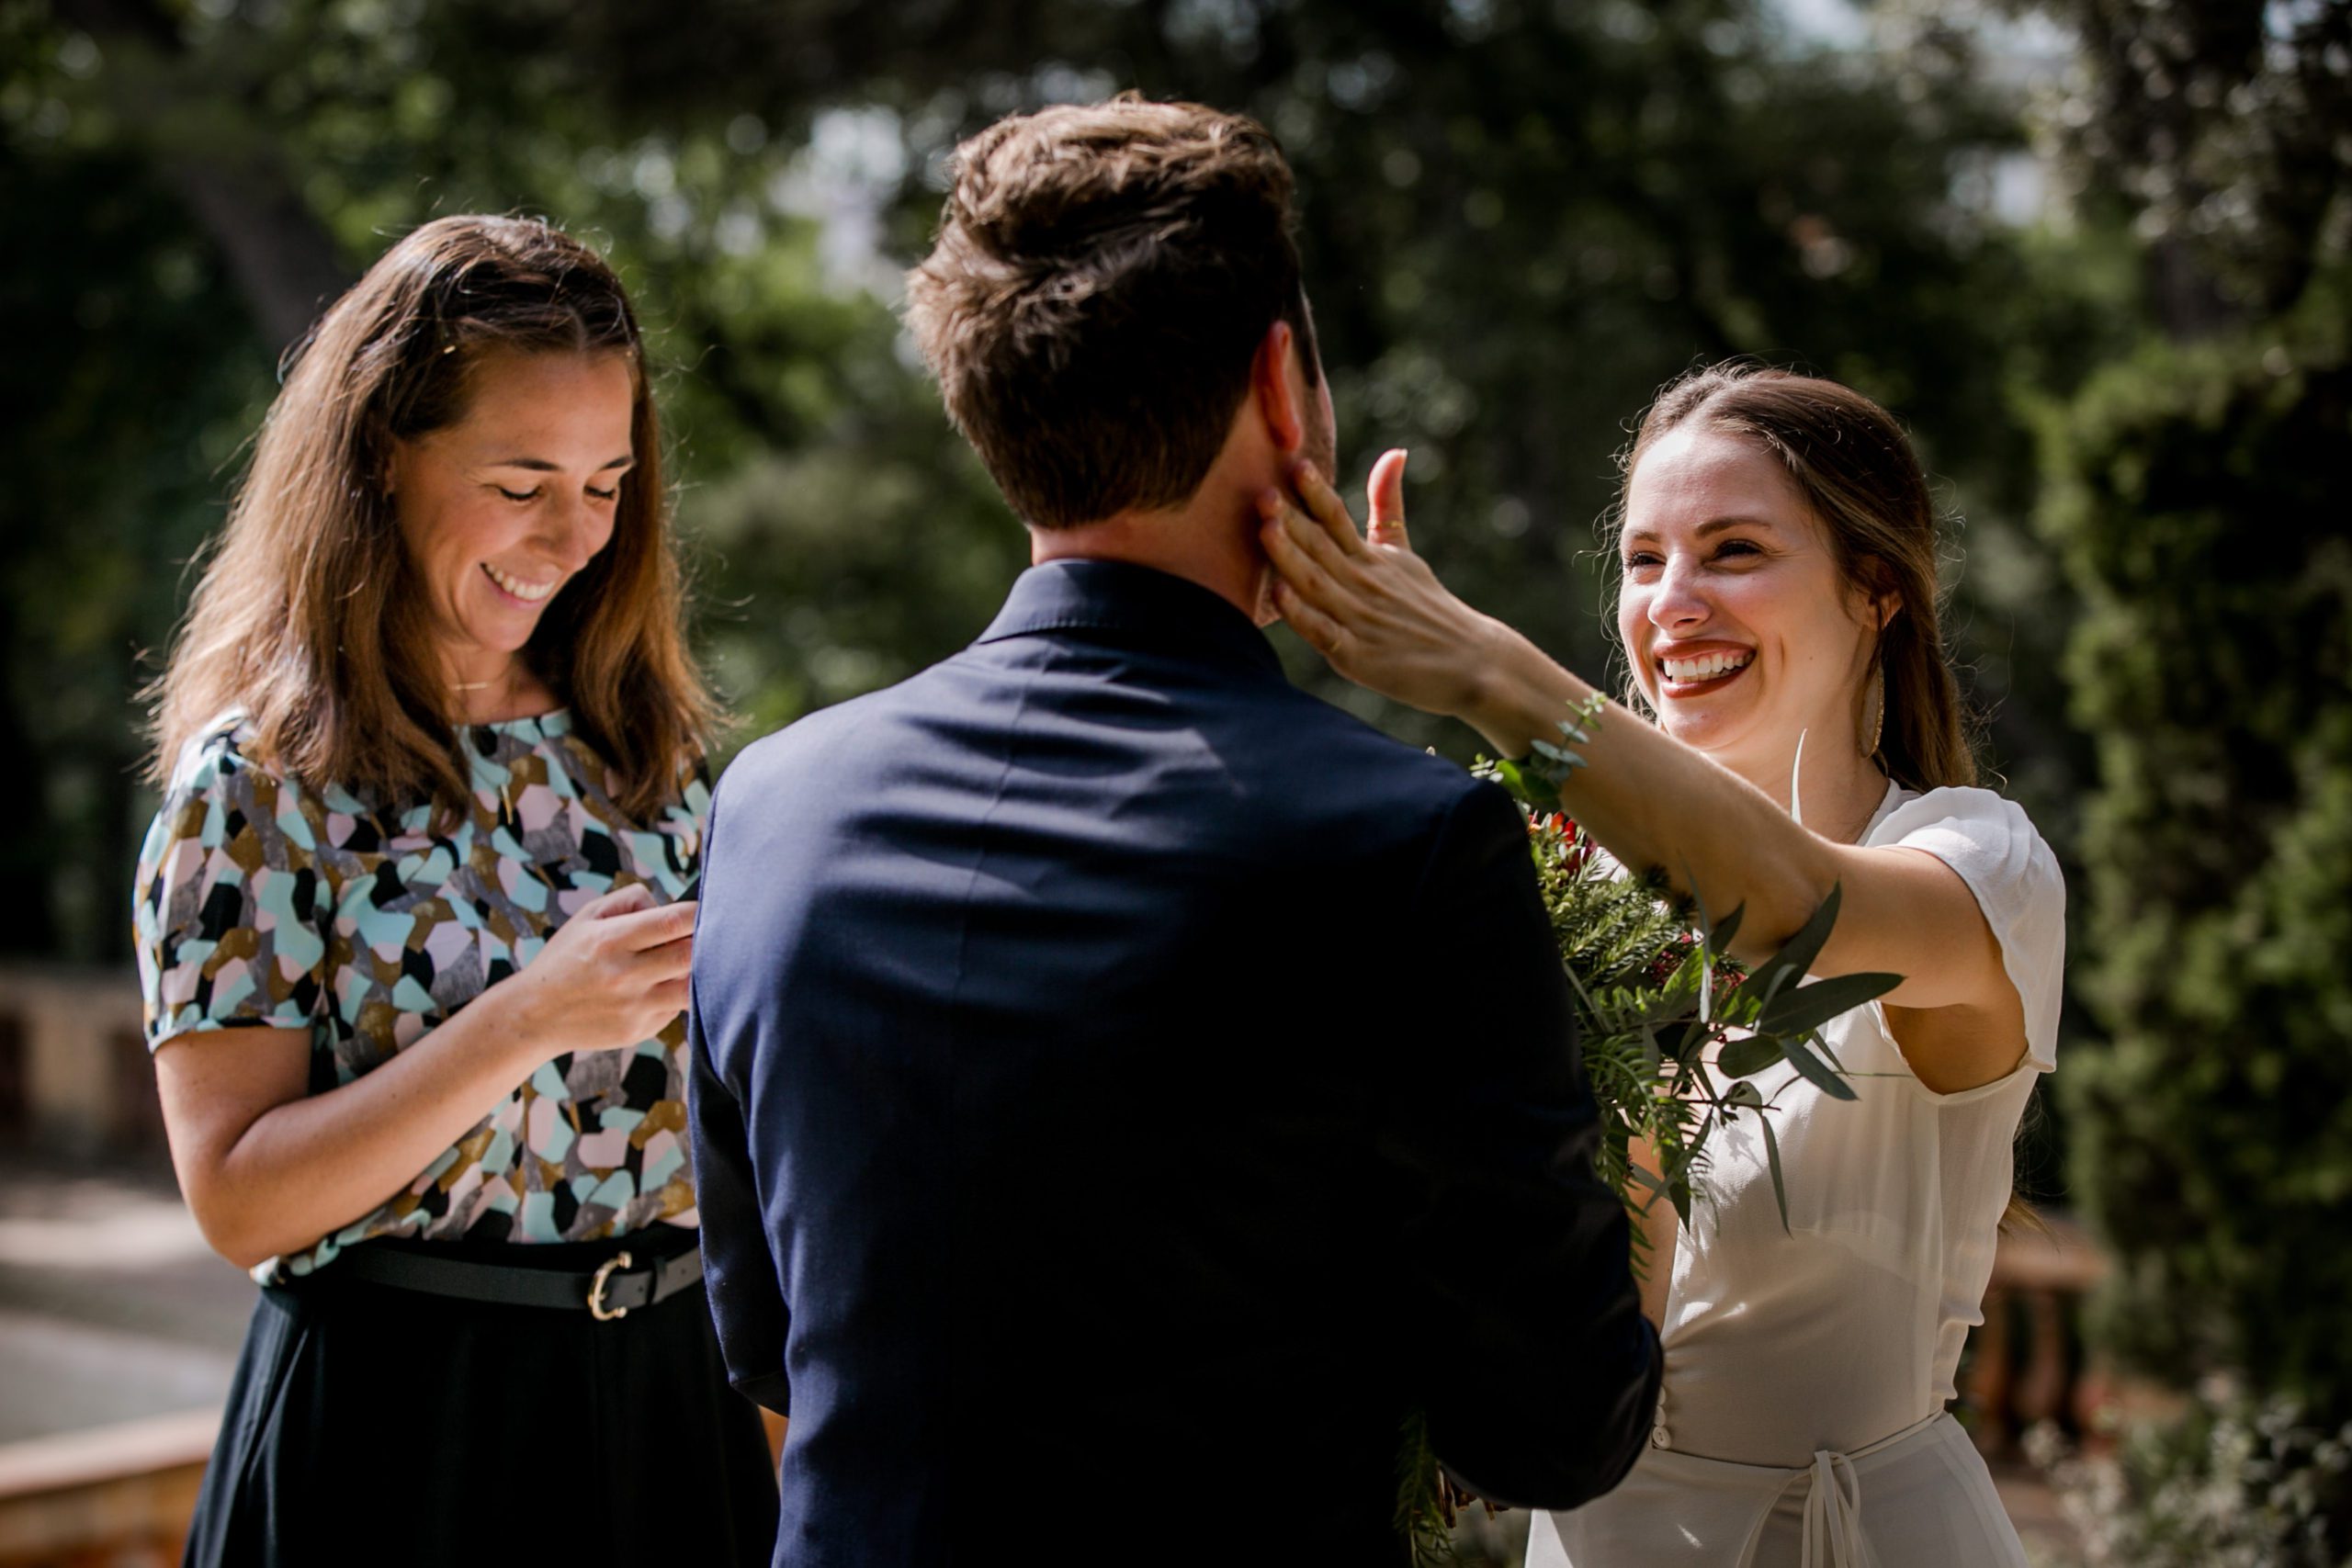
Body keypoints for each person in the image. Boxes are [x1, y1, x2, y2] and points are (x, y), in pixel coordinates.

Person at [685, 96, 1661, 1566]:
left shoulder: (769, 803)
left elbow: (765, 1337)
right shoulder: (1404, 845)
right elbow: (1554, 1425)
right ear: (1284, 388)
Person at [1257, 362, 2065, 1566]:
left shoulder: (1975, 867)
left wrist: (1485, 670)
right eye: (1644, 561)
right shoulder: (1562, 892)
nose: (1672, 603)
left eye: (1733, 550)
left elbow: (1792, 919)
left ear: (1877, 591)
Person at [132, 214, 778, 1566]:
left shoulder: (649, 749)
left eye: (606, 484)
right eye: (522, 479)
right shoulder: (256, 784)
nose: (571, 535)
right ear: (380, 450)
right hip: (394, 1437)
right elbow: (237, 1199)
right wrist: (527, 1019)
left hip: (669, 1410)